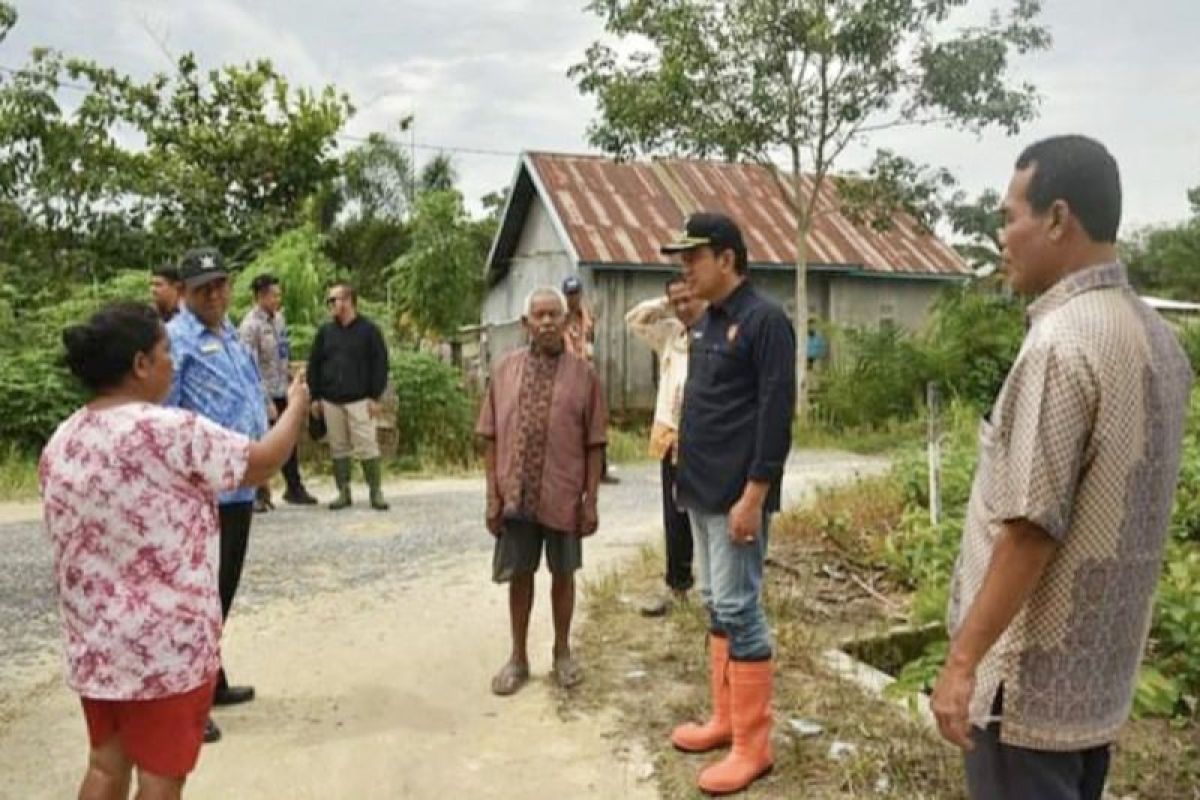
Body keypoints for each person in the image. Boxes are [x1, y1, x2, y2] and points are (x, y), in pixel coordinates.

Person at [930, 136, 1192, 800]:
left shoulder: (1061, 341)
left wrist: (962, 665)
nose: (1000, 237)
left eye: (1008, 216)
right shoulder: (1159, 340)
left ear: (1057, 218)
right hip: (1097, 686)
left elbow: (1030, 529)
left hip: (1029, 695)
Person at [41, 302, 308, 800]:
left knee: (105, 766)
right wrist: (295, 404)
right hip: (165, 651)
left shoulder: (63, 439)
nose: (174, 361)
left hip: (96, 646)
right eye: (167, 351)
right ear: (140, 364)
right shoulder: (170, 430)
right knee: (161, 779)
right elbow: (263, 461)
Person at [660, 212, 796, 795]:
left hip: (738, 496)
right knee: (715, 601)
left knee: (740, 608)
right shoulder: (708, 321)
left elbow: (774, 413)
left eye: (694, 257)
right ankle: (725, 721)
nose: (685, 268)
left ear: (728, 259)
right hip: (700, 489)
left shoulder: (765, 322)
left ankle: (753, 745)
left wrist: (756, 493)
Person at [477, 287, 607, 697]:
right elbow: (489, 435)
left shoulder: (584, 376)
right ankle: (518, 657)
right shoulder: (504, 371)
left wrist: (591, 500)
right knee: (520, 576)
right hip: (516, 494)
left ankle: (562, 653)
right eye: (540, 315)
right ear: (526, 324)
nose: (548, 322)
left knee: (563, 574)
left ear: (568, 323)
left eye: (555, 315)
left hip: (563, 494)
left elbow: (595, 443)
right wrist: (492, 496)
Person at [165, 247, 270, 741]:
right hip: (201, 493)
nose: (215, 294)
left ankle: (213, 677)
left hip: (240, 487)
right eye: (203, 287)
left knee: (220, 593)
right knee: (200, 599)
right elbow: (162, 416)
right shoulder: (174, 340)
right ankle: (186, 701)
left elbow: (249, 394)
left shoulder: (230, 334)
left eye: (221, 284)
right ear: (184, 292)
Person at [624, 276, 706, 617]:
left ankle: (714, 589)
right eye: (679, 301)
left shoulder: (715, 332)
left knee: (706, 514)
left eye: (690, 299)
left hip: (704, 437)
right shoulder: (672, 335)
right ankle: (678, 586)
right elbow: (634, 321)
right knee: (675, 515)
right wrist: (665, 302)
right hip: (671, 436)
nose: (684, 307)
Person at [307, 283, 391, 511]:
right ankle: (343, 491)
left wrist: (375, 396)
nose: (331, 305)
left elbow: (381, 364)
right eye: (330, 301)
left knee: (367, 445)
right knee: (338, 447)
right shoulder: (325, 332)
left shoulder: (369, 330)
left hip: (361, 399)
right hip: (331, 400)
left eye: (334, 300)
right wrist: (314, 397)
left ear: (348, 301)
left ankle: (376, 491)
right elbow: (313, 364)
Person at [239, 274, 318, 509]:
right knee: (262, 443)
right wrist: (265, 401)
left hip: (282, 388)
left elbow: (283, 354)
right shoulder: (249, 326)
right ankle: (259, 494)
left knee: (288, 441)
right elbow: (249, 367)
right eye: (274, 294)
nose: (278, 299)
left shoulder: (279, 320)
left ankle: (294, 487)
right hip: (262, 394)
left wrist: (292, 380)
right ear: (260, 296)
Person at [562, 275, 618, 485]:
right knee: (571, 422)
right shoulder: (561, 319)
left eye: (575, 294)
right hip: (568, 374)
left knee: (597, 420)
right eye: (569, 295)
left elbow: (590, 342)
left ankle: (600, 469)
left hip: (587, 371)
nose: (573, 299)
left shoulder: (587, 318)